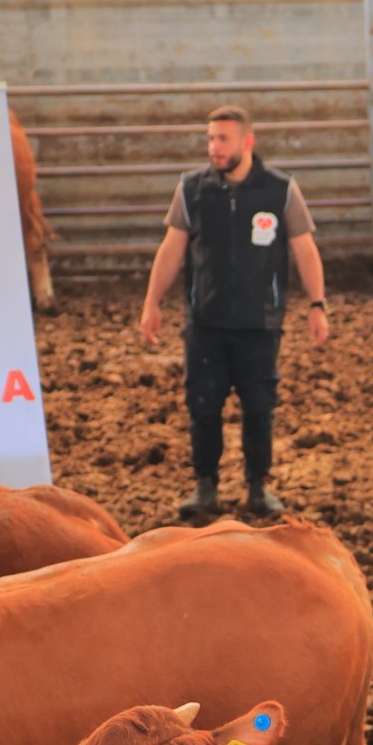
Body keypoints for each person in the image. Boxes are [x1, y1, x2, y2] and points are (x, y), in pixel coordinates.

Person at [140, 107, 331, 521]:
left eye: (222, 139)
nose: (214, 148)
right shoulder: (192, 189)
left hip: (259, 322)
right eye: (210, 139)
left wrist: (317, 304)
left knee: (259, 405)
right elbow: (172, 248)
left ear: (247, 142)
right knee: (202, 405)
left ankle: (258, 486)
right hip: (204, 321)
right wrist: (152, 301)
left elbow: (304, 248)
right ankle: (205, 485)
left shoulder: (280, 190)